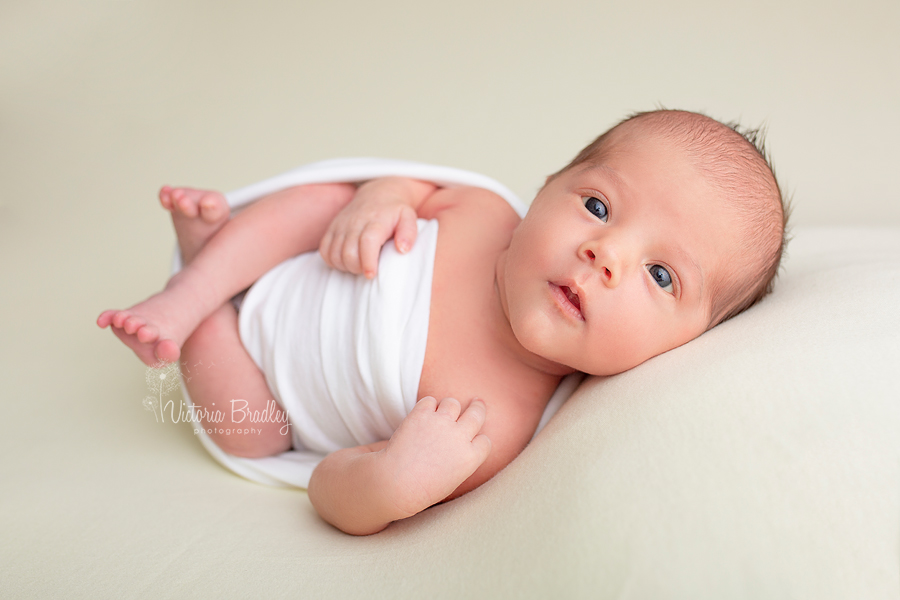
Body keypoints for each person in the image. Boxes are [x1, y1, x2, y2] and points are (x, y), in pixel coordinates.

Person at [97, 109, 788, 535]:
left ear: (683, 349)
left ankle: (206, 303)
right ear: (546, 186)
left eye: (660, 275)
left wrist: (393, 483)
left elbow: (328, 488)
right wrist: (383, 198)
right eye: (599, 208)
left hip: (268, 394)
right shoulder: (482, 213)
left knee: (248, 435)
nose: (604, 254)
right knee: (323, 200)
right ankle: (193, 288)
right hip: (293, 263)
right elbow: (403, 182)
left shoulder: (487, 430)